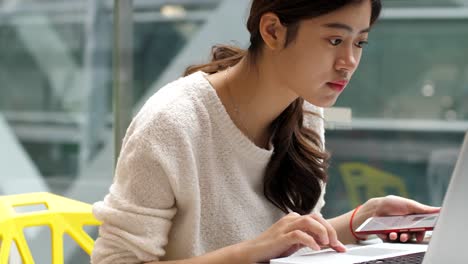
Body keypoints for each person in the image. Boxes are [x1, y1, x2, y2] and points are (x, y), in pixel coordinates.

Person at [91, 0, 440, 263]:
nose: (348, 61)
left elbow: (293, 241)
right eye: (335, 40)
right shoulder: (172, 123)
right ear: (273, 31)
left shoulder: (305, 108)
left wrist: (360, 220)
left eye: (359, 43)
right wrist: (252, 251)